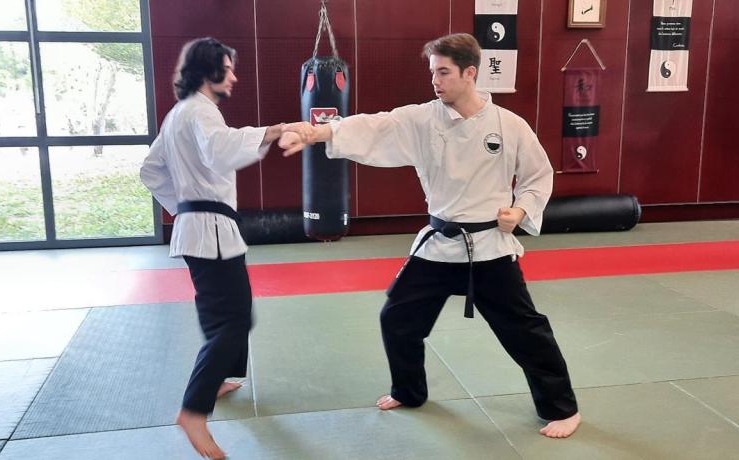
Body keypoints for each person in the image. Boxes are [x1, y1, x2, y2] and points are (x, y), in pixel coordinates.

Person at [279, 33, 581, 438]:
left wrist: (521, 210)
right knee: (397, 319)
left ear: (470, 73)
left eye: (444, 72)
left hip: (488, 248)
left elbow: (538, 176)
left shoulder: (509, 126)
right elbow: (375, 125)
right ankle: (408, 391)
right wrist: (316, 133)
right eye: (432, 72)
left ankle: (563, 409)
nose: (435, 81)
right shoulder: (422, 119)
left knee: (525, 331)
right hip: (438, 246)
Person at [140, 37, 286, 459]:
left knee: (222, 312)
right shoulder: (201, 110)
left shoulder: (177, 115)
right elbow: (221, 150)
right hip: (211, 231)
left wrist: (183, 207)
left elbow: (150, 169)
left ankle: (220, 377)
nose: (234, 77)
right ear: (208, 71)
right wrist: (273, 131)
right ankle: (194, 409)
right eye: (228, 68)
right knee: (234, 320)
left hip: (197, 228)